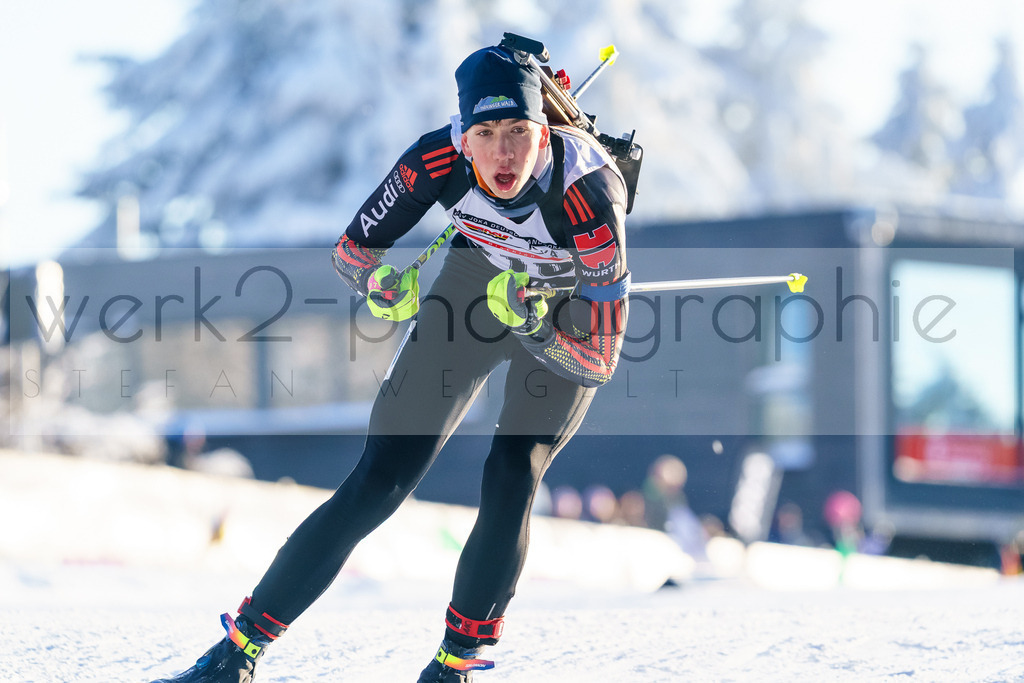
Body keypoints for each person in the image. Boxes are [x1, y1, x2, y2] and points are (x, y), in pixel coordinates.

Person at [151, 39, 630, 683]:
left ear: (542, 126)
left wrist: (539, 327)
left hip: (564, 301)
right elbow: (352, 253)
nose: (504, 153)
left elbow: (598, 357)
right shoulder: (435, 158)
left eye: (519, 130)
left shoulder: (589, 191)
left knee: (514, 468)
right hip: (474, 280)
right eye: (485, 134)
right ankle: (236, 654)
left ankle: (453, 666)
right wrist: (380, 286)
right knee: (378, 478)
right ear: (462, 134)